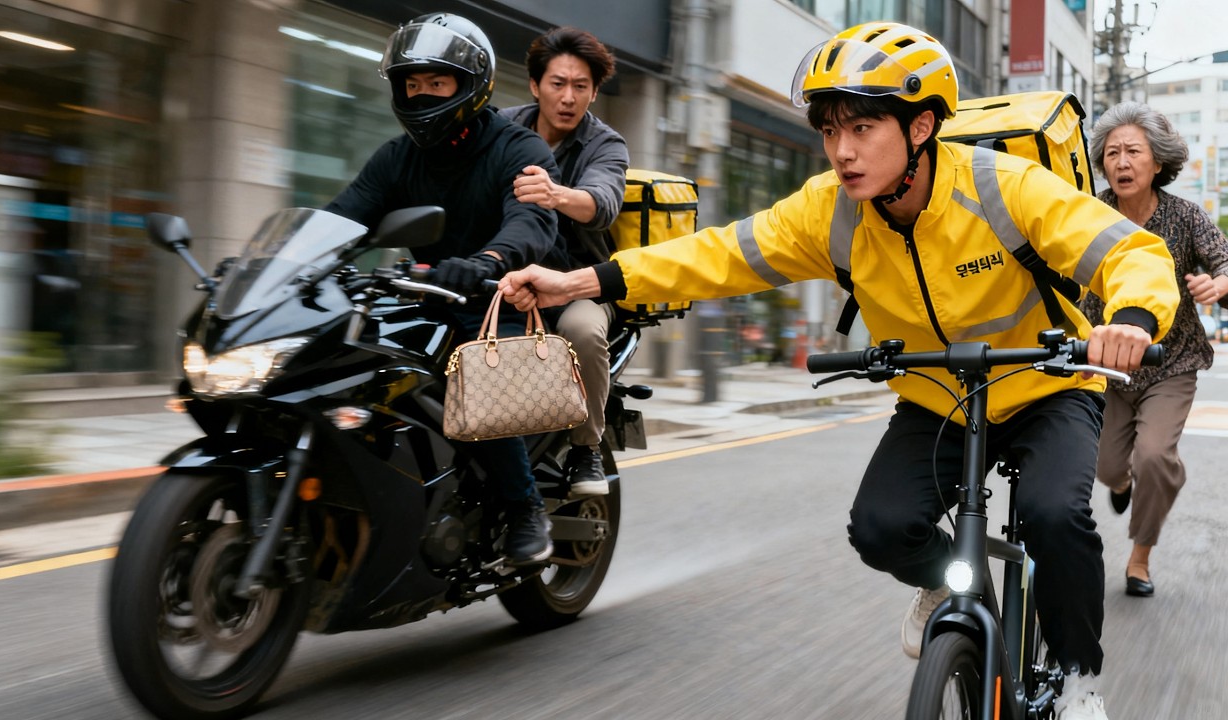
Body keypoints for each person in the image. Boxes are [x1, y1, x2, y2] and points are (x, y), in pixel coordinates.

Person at [498, 22, 1181, 719]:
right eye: (829, 131)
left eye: (861, 127)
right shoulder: (830, 211)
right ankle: (946, 587)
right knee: (880, 529)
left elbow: (1129, 252)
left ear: (920, 126)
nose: (842, 151)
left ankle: (1077, 681)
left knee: (1054, 515)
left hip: (1047, 385)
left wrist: (1130, 318)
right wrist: (582, 282)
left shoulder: (1004, 188)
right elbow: (714, 256)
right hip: (937, 394)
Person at [323, 12, 561, 565]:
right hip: (424, 295)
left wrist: (488, 260)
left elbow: (530, 223)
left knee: (476, 372)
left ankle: (525, 509)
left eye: (437, 82)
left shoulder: (518, 149)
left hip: (498, 298)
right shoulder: (395, 158)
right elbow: (344, 217)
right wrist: (289, 258)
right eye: (413, 83)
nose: (421, 93)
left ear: (469, 85)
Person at [1078, 101, 1228, 598]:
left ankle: (1140, 556)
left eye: (1133, 152)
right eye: (1112, 153)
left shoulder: (1185, 216)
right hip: (1106, 363)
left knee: (1155, 458)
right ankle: (1122, 486)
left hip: (1172, 362)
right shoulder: (1089, 214)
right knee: (1106, 468)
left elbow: (1225, 263)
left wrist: (1218, 285)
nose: (1121, 162)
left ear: (1157, 162)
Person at [498, 27, 629, 495]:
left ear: (594, 91)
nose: (568, 97)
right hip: (507, 276)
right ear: (535, 85)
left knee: (582, 331)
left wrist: (555, 195)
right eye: (558, 84)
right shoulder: (501, 126)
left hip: (580, 281)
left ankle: (585, 450)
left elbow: (603, 203)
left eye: (580, 87)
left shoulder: (605, 144)